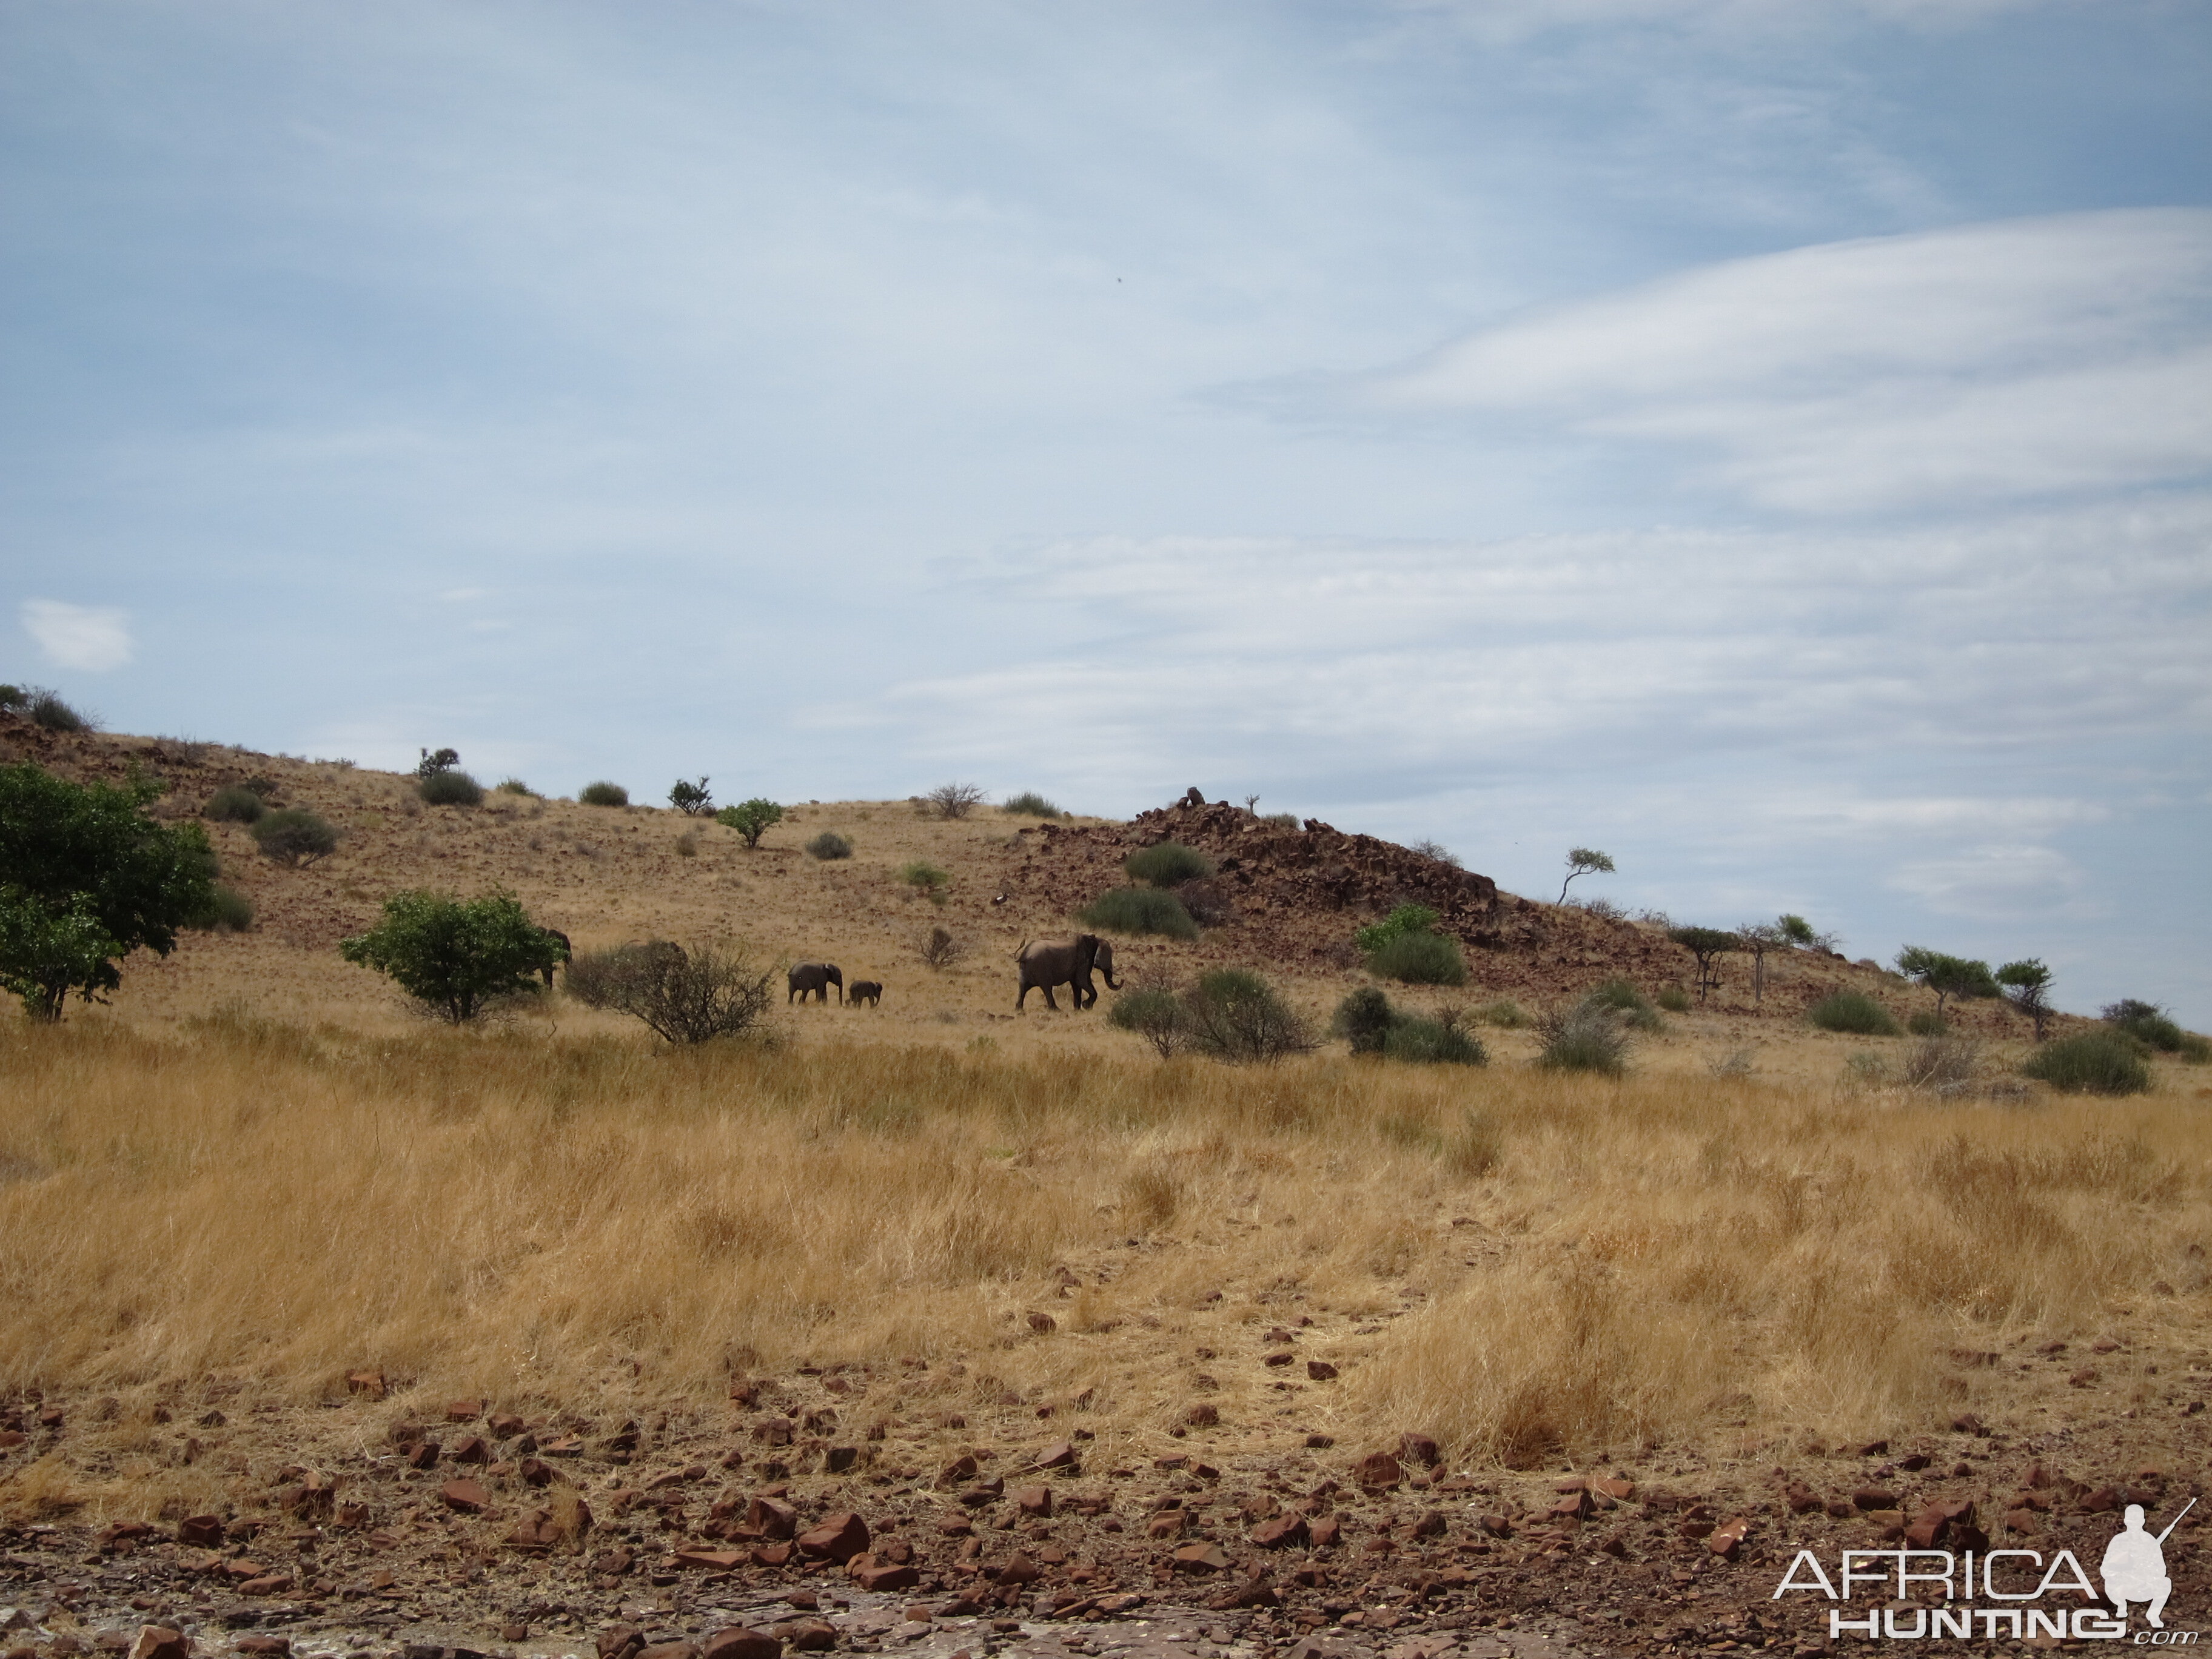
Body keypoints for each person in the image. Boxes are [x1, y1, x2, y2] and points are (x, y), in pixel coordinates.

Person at [2102, 1504, 2172, 1629]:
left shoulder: (2150, 1541)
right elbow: (2106, 1568)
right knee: (2109, 1582)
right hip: (2123, 1586)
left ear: (2143, 1521)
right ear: (2125, 1521)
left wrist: (2148, 1573)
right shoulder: (2118, 1540)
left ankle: (2153, 1614)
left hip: (2144, 1587)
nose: (2134, 1523)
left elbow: (2161, 1569)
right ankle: (2121, 1605)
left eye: (2137, 1520)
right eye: (2131, 1519)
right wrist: (2122, 1572)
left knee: (2166, 1583)